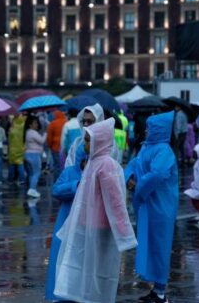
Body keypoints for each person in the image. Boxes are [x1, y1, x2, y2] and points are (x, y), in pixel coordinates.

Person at [54, 118, 137, 303]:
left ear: (100, 140)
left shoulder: (106, 164)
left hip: (100, 226)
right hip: (87, 224)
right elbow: (82, 198)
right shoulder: (93, 162)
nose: (84, 144)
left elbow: (116, 200)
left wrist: (124, 233)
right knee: (86, 267)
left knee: (97, 269)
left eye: (88, 140)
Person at [125, 111, 178, 303]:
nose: (146, 130)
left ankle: (161, 292)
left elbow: (158, 174)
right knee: (151, 244)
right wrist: (129, 178)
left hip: (160, 207)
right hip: (149, 205)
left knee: (160, 246)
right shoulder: (147, 147)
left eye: (149, 127)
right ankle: (157, 289)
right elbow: (133, 164)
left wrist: (137, 185)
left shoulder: (163, 150)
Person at [46, 139, 87, 301]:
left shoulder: (98, 172)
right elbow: (56, 190)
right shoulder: (70, 172)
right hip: (66, 222)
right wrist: (75, 186)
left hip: (87, 227)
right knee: (63, 260)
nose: (86, 163)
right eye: (84, 160)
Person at [24, 115, 46, 198]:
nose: (37, 125)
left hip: (28, 154)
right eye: (35, 123)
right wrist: (45, 134)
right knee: (36, 173)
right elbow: (42, 141)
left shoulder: (27, 132)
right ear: (30, 125)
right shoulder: (32, 133)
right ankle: (32, 189)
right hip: (34, 155)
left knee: (31, 174)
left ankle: (32, 189)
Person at [7, 114, 27, 185]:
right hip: (21, 148)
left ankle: (10, 179)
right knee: (20, 164)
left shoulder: (12, 128)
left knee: (12, 164)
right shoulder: (23, 126)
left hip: (13, 149)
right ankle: (22, 180)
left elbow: (9, 139)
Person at [46, 110, 67, 178]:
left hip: (55, 147)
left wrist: (49, 145)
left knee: (57, 165)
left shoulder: (52, 124)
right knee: (64, 164)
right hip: (64, 147)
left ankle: (57, 181)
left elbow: (49, 137)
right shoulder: (66, 122)